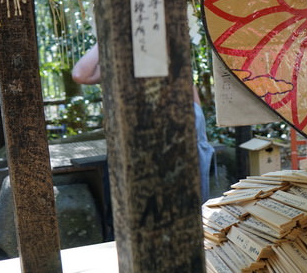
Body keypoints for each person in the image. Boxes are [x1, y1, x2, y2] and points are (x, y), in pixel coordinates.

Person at [72, 43, 215, 203]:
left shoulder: (172, 62)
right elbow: (80, 74)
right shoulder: (123, 63)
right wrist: (103, 38)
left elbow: (197, 116)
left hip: (179, 157)